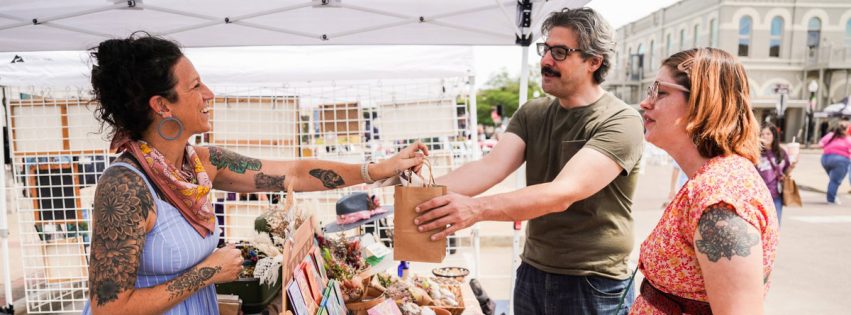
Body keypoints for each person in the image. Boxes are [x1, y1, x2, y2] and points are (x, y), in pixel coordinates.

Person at [83, 33, 427, 315]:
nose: (209, 95)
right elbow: (109, 308)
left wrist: (377, 170)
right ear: (162, 105)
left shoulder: (201, 163)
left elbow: (293, 172)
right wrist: (209, 272)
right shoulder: (125, 187)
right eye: (196, 86)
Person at [414, 8, 644, 314]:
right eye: (546, 49)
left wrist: (475, 209)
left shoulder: (620, 120)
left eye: (560, 52)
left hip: (593, 282)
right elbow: (489, 168)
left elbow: (562, 193)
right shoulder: (533, 112)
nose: (546, 61)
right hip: (533, 272)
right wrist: (417, 189)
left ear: (594, 61)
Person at [634, 48, 779, 314]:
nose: (646, 102)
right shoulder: (708, 181)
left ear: (702, 102)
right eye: (649, 90)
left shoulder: (721, 200)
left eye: (660, 91)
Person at [756, 123, 793, 223]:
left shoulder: (781, 152)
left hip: (776, 195)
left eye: (768, 134)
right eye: (762, 134)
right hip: (759, 196)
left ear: (774, 135)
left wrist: (794, 163)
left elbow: (786, 171)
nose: (765, 137)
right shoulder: (755, 152)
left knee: (776, 225)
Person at [818, 120, 851, 204]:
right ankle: (831, 199)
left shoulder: (830, 135)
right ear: (846, 129)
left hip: (825, 159)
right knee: (835, 181)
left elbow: (820, 144)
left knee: (833, 179)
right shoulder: (847, 139)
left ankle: (833, 195)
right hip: (841, 160)